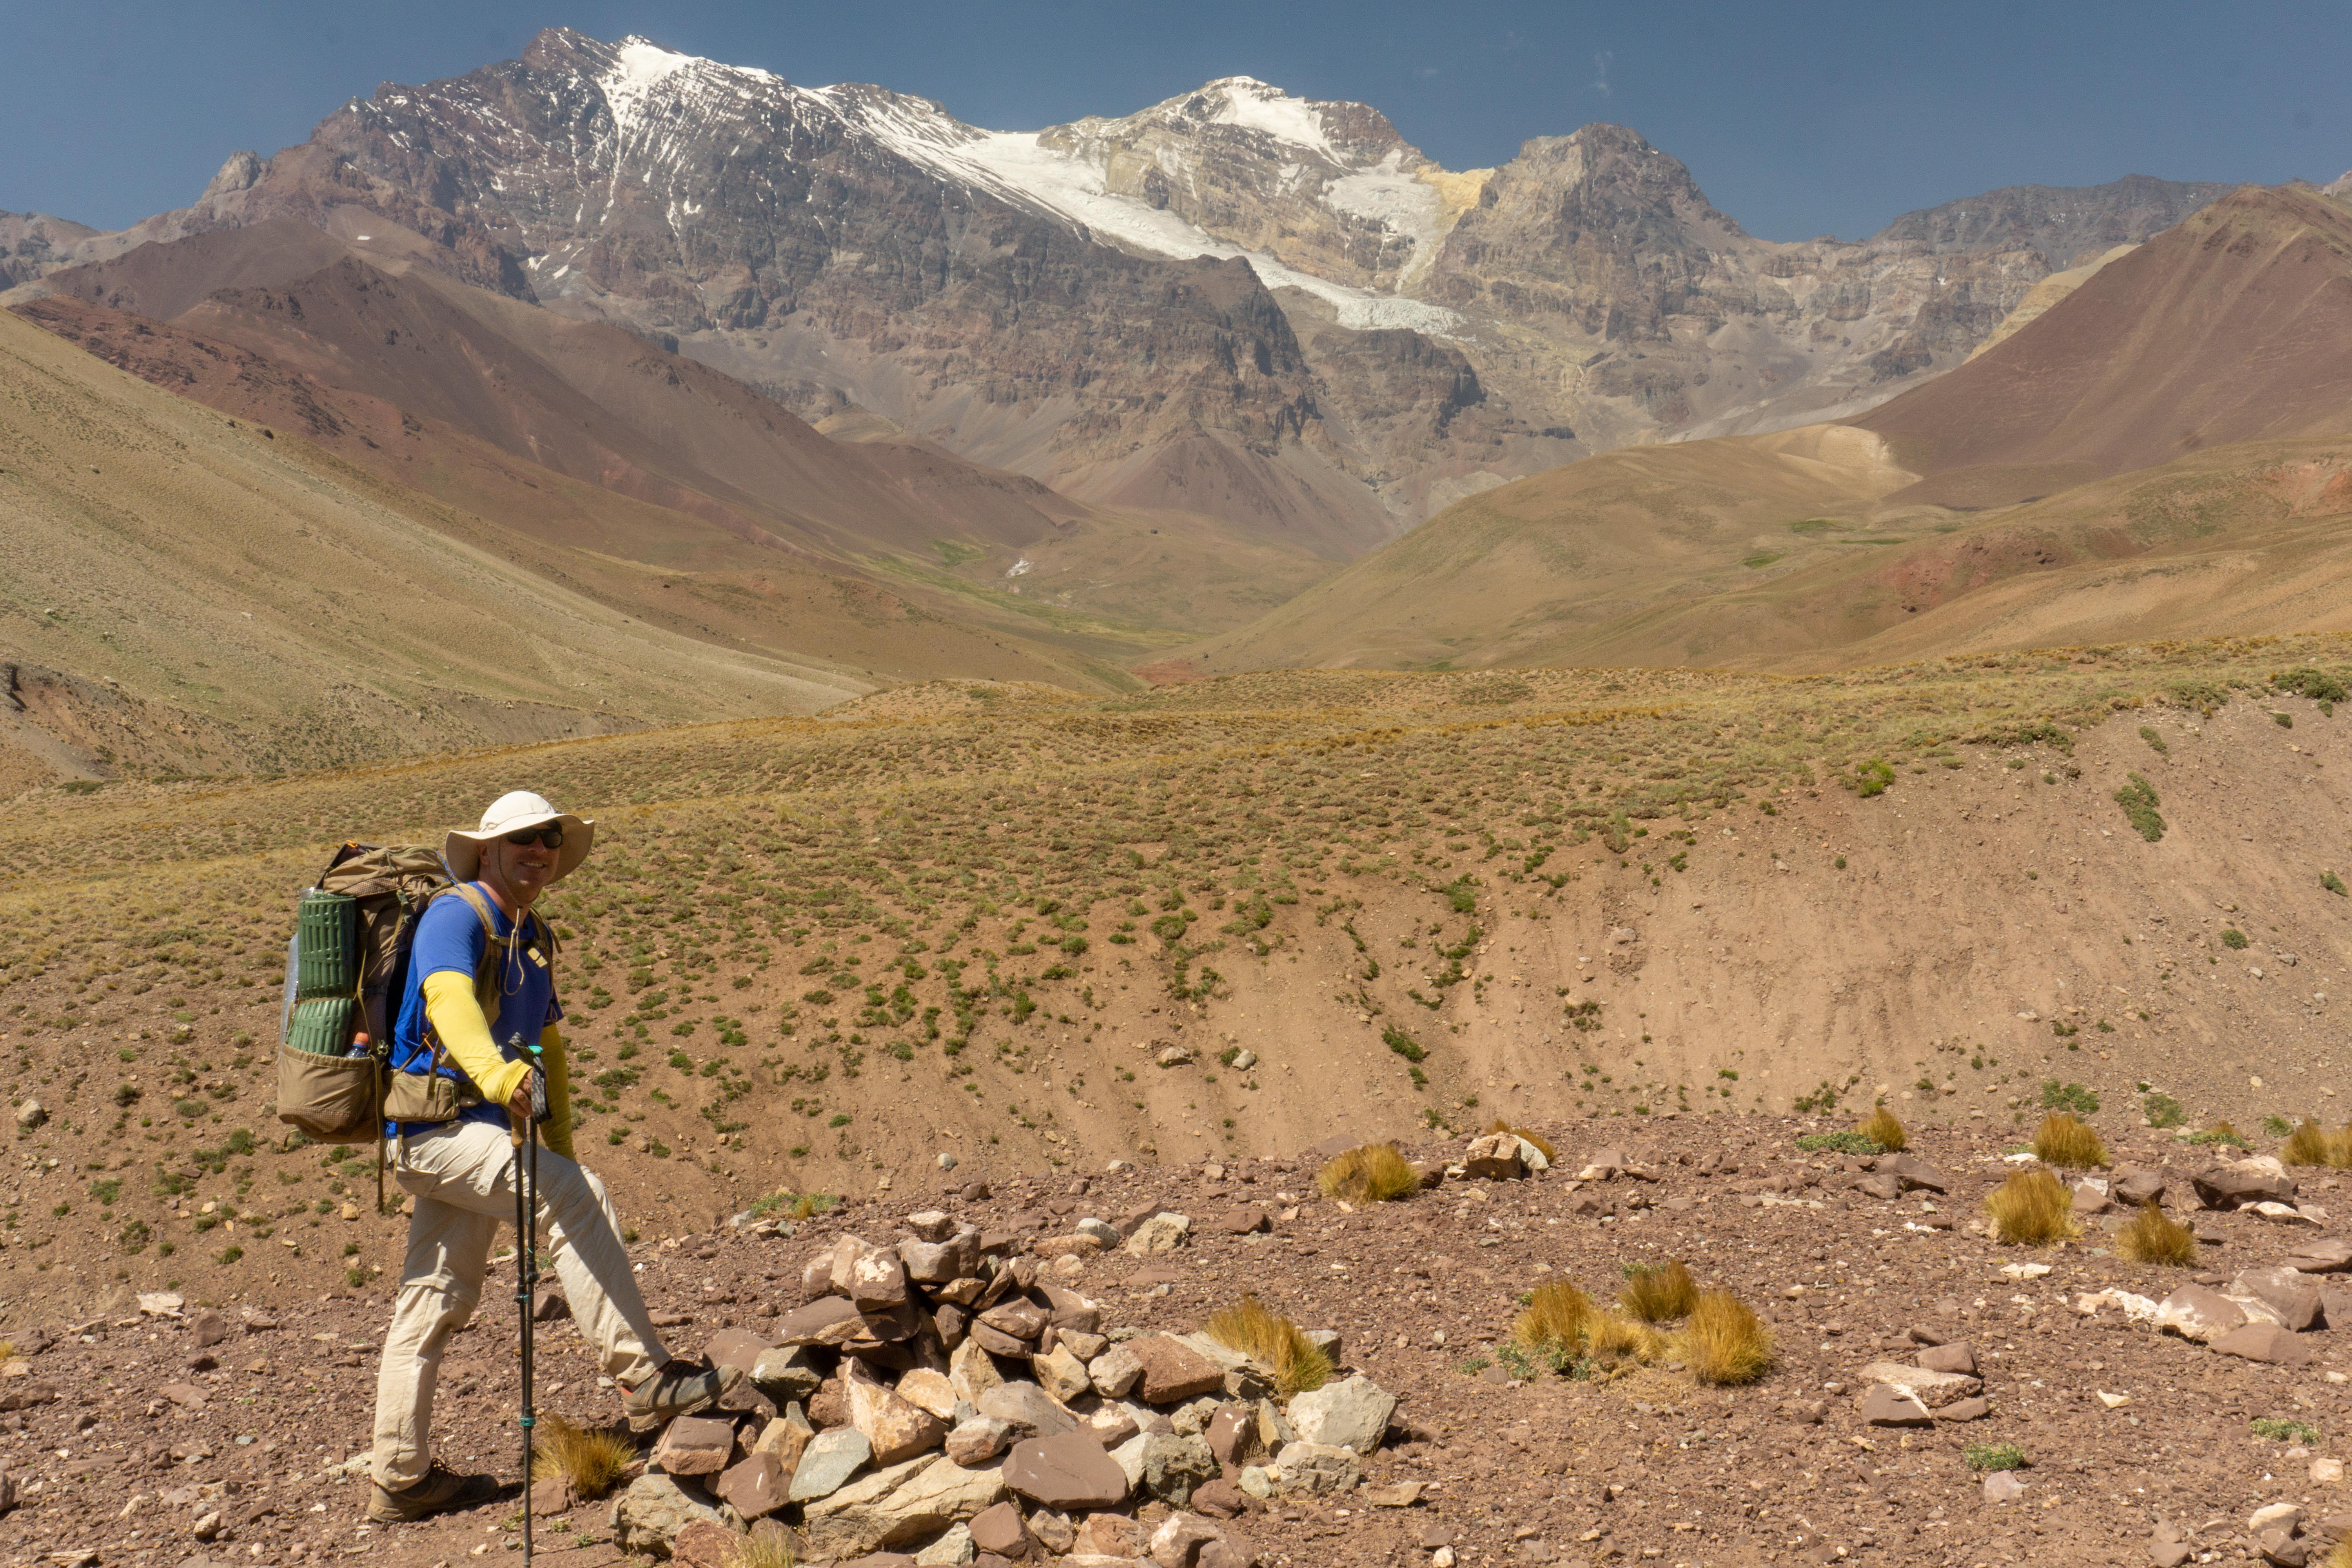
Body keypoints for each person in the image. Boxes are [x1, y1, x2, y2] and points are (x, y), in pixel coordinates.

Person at [367, 790, 742, 1523]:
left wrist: (560, 1144)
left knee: (434, 1299)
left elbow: (548, 1048)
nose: (540, 850)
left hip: (478, 1136)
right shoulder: (456, 915)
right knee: (574, 1195)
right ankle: (644, 1379)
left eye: (550, 839)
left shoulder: (531, 934)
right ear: (486, 851)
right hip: (435, 1129)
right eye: (524, 839)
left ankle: (399, 1478)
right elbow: (447, 999)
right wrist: (498, 1078)